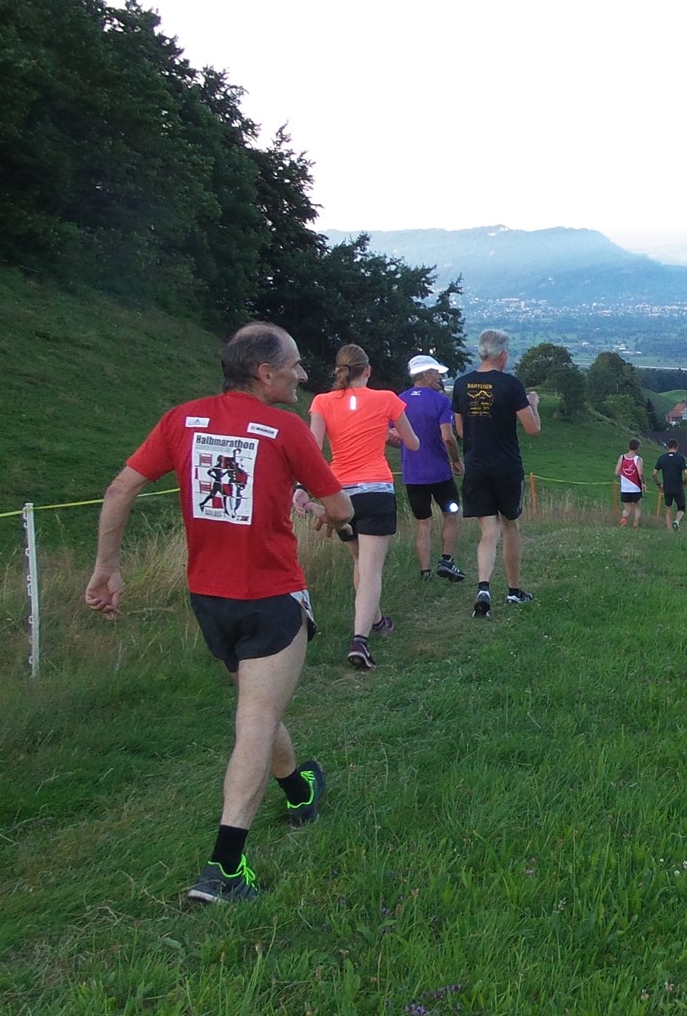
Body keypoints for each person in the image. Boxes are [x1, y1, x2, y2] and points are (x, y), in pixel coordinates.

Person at [86, 322, 352, 904]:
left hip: (210, 599)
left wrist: (108, 566)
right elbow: (341, 503)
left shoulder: (181, 419)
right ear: (264, 373)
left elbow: (119, 490)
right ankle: (226, 869)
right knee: (256, 719)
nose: (303, 375)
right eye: (296, 365)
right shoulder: (285, 429)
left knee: (259, 704)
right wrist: (332, 520)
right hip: (272, 596)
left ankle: (299, 790)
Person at [309, 345, 420, 671]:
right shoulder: (386, 399)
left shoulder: (321, 402)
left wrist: (305, 489)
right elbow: (412, 443)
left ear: (339, 370)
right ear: (367, 370)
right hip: (376, 489)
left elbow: (313, 449)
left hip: (339, 492)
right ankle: (360, 640)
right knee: (371, 568)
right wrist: (385, 433)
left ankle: (376, 620)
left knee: (360, 559)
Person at [452, 329, 540, 617]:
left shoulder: (461, 384)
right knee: (510, 526)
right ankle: (514, 591)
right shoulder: (511, 385)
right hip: (506, 465)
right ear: (502, 354)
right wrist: (534, 406)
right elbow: (533, 429)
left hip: (476, 465)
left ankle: (483, 588)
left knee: (488, 532)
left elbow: (461, 430)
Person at [399, 355, 466, 582]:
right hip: (439, 473)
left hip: (413, 474)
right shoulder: (441, 402)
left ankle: (425, 571)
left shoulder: (400, 401)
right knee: (452, 513)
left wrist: (408, 445)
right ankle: (446, 559)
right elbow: (448, 437)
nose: (440, 377)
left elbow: (390, 435)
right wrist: (456, 461)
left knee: (423, 522)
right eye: (436, 373)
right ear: (425, 374)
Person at [654, 438, 687, 531]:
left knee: (668, 509)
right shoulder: (680, 458)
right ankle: (677, 521)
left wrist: (659, 484)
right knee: (681, 508)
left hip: (667, 487)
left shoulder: (662, 458)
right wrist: (685, 481)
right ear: (676, 447)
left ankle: (670, 531)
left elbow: (654, 473)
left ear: (667, 447)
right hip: (678, 487)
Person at [615, 438, 646, 528]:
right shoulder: (638, 459)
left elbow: (616, 472)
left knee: (627, 508)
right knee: (637, 507)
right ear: (638, 448)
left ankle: (624, 520)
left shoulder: (622, 457)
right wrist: (643, 483)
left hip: (625, 488)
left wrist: (624, 477)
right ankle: (635, 526)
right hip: (635, 488)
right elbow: (640, 474)